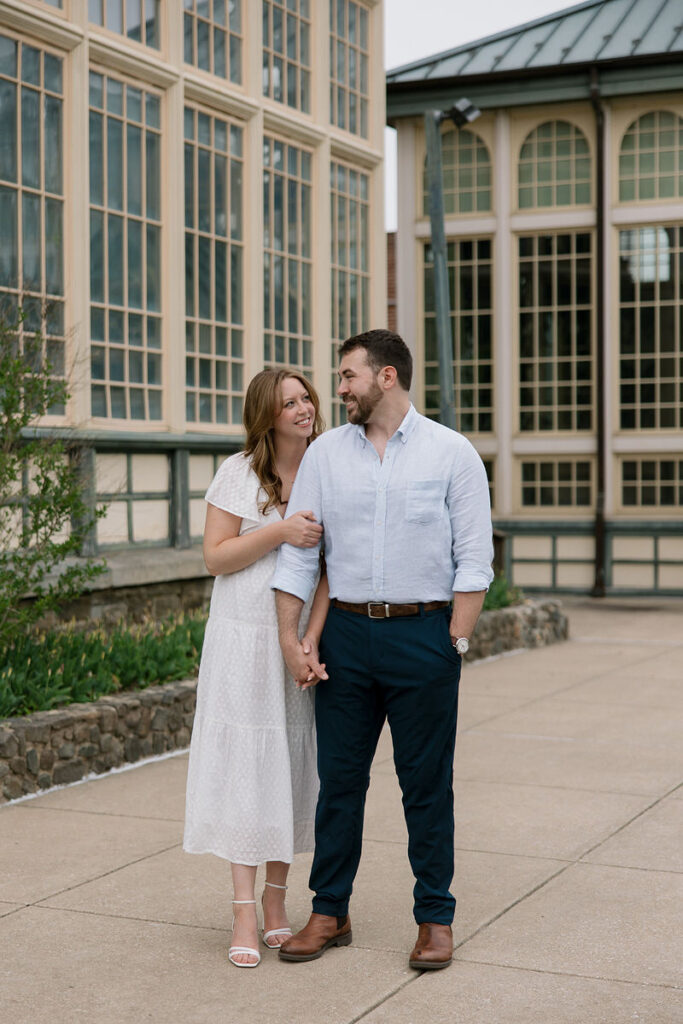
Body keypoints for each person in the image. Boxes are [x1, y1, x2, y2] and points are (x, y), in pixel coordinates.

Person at [272, 329, 493, 971]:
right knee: (338, 782)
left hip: (423, 636)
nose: (337, 389)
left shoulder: (451, 454)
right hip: (343, 636)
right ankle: (329, 911)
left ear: (387, 376)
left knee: (425, 785)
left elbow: (474, 562)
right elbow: (299, 554)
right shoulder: (325, 457)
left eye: (348, 376)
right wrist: (293, 639)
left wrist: (453, 640)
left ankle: (434, 919)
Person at [183, 368, 329, 969]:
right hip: (242, 640)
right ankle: (242, 908)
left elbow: (331, 570)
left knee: (290, 767)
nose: (302, 409)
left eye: (306, 398)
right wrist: (280, 531)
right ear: (267, 416)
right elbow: (215, 557)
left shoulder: (328, 468)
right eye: (288, 403)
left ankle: (276, 903)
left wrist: (310, 639)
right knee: (247, 765)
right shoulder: (239, 472)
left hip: (295, 641)